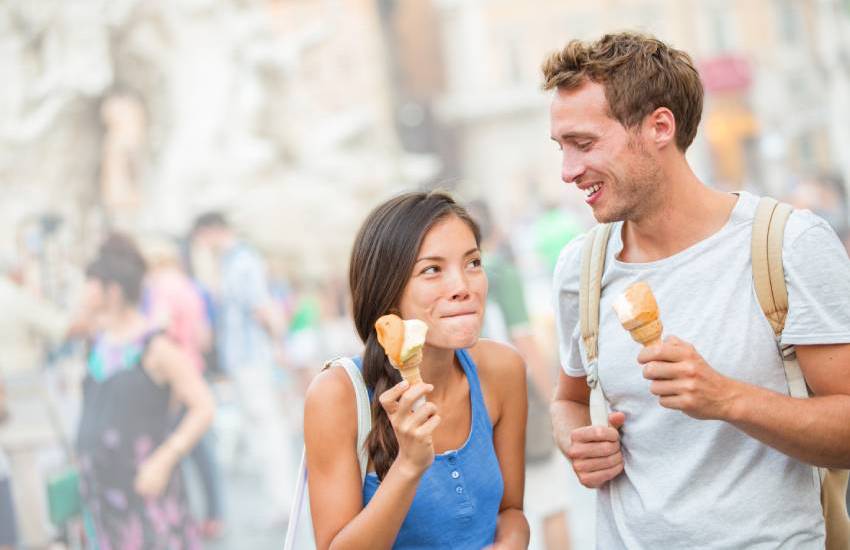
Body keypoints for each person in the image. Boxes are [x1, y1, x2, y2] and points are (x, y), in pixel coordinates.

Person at [544, 32, 850, 548]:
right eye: (562, 147)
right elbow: (567, 399)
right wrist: (577, 440)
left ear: (660, 126)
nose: (568, 171)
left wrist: (728, 398)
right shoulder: (582, 267)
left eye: (585, 143)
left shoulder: (787, 244)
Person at [304, 191, 530, 549]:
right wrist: (408, 465)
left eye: (473, 263)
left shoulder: (504, 370)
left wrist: (512, 542)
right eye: (432, 270)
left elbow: (511, 511)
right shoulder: (337, 395)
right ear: (388, 292)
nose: (463, 287)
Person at [76, 233, 215, 548]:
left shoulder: (155, 345)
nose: (83, 292)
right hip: (101, 497)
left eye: (90, 284)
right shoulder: (97, 342)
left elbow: (203, 406)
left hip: (147, 492)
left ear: (112, 291)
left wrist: (166, 458)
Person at [191, 212, 293, 524]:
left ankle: (284, 501)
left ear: (210, 232)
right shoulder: (233, 262)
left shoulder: (241, 261)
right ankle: (281, 501)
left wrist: (278, 346)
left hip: (251, 360)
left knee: (266, 429)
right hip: (246, 360)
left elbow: (262, 308)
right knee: (261, 429)